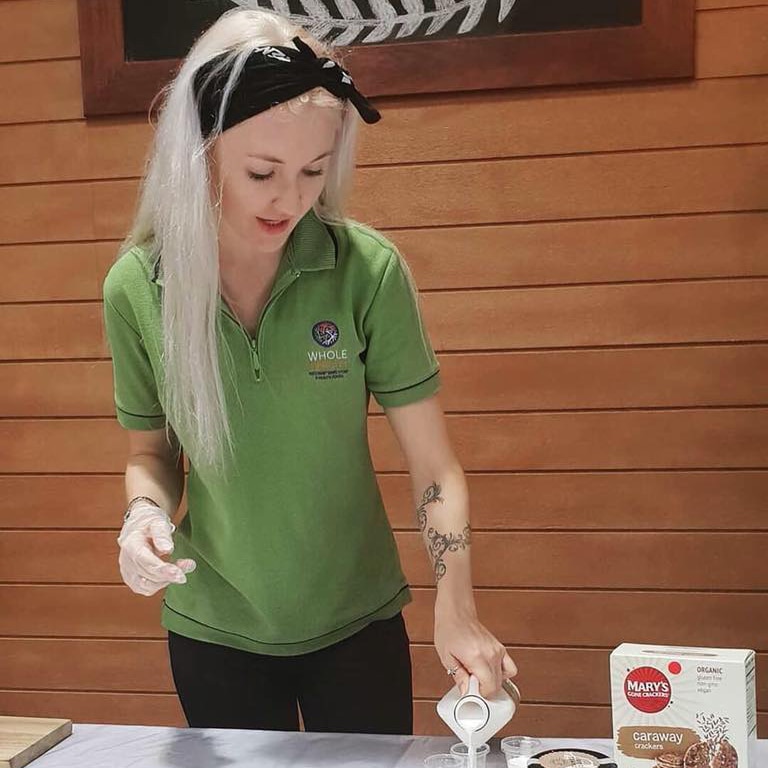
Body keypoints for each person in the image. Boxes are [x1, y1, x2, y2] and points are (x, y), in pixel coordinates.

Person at [103, 7, 517, 734]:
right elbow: (151, 454)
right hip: (214, 628)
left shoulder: (366, 270)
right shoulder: (138, 288)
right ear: (199, 150)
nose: (290, 198)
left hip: (356, 621)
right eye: (262, 171)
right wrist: (141, 517)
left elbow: (436, 471)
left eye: (313, 172)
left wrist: (458, 610)